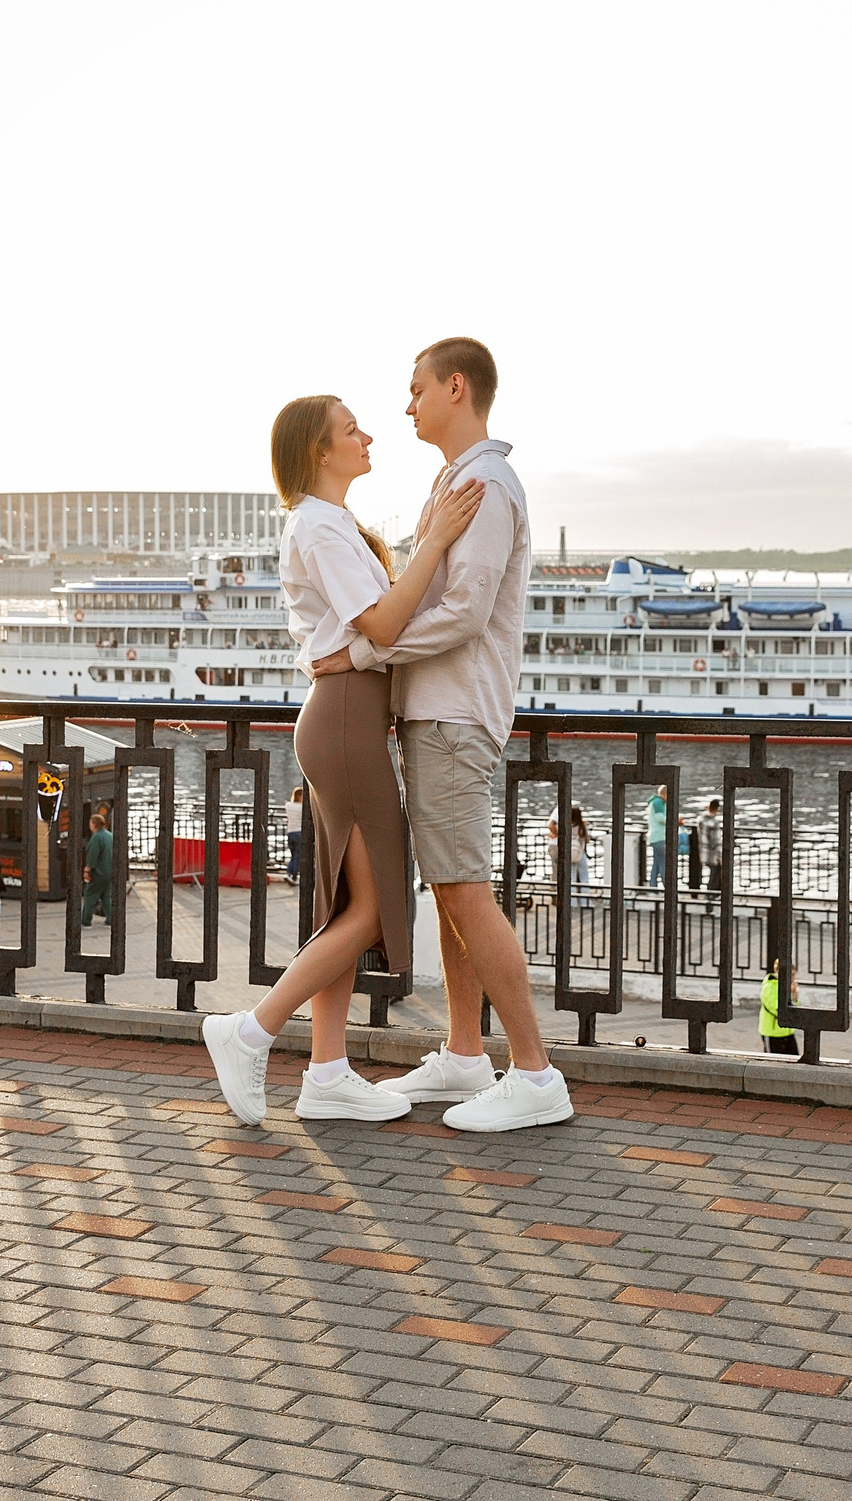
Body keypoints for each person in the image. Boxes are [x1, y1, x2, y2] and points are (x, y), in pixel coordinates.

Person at [201, 392, 484, 1126]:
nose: (367, 435)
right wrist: (440, 539)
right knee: (373, 907)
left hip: (345, 716)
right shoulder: (322, 526)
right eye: (350, 429)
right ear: (318, 451)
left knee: (344, 905)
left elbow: (367, 631)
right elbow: (384, 624)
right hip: (349, 719)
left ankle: (326, 1070)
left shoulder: (328, 524)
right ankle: (252, 1029)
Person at [327, 338, 572, 1133]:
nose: (406, 405)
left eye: (416, 388)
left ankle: (534, 1072)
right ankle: (466, 1051)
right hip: (439, 712)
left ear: (455, 388)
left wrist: (374, 648)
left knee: (465, 886)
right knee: (451, 888)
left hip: (458, 713)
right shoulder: (457, 480)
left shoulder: (485, 483)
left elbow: (466, 610)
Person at [758, 956, 799, 1055]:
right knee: (773, 1062)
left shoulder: (788, 986)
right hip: (772, 1032)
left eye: (794, 974)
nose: (793, 978)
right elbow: (774, 1005)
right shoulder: (770, 985)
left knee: (794, 1059)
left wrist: (794, 995)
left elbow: (795, 1005)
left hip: (787, 1031)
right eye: (791, 974)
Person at [82, 806, 114, 925]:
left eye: (90, 822)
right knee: (106, 895)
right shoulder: (110, 836)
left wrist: (87, 869)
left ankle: (86, 920)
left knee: (90, 894)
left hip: (98, 872)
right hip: (109, 871)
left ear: (94, 823)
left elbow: (93, 855)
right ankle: (111, 918)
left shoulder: (96, 837)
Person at [644, 788, 670, 887]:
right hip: (660, 837)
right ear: (665, 794)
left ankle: (653, 886)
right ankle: (667, 887)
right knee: (664, 863)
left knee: (656, 863)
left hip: (655, 837)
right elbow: (660, 818)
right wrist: (674, 820)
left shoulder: (654, 802)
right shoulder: (658, 802)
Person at [697, 797, 723, 890]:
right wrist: (720, 857)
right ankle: (711, 896)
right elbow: (715, 841)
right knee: (715, 875)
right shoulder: (714, 823)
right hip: (713, 854)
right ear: (717, 809)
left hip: (703, 851)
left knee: (712, 874)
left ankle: (709, 895)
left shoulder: (701, 819)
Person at [283, 787, 306, 885]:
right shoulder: (303, 808)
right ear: (300, 796)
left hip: (290, 833)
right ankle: (293, 876)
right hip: (299, 833)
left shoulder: (288, 805)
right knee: (297, 856)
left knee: (293, 856)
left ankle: (289, 873)